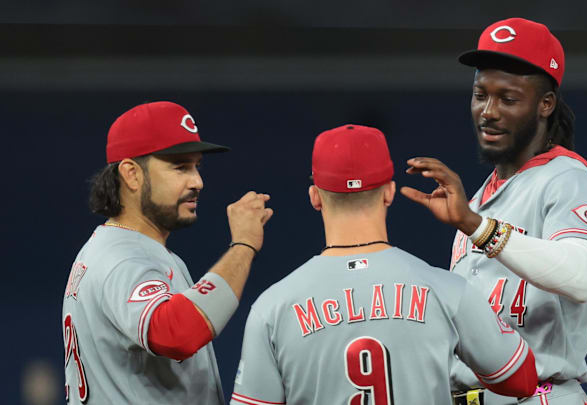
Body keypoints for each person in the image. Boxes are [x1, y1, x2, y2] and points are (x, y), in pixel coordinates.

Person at [229, 124, 539, 405]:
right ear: (389, 193)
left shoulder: (273, 307)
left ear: (315, 197)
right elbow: (522, 379)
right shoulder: (447, 290)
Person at [401, 18, 587, 405]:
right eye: (480, 94)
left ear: (545, 104)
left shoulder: (566, 177)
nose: (489, 111)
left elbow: (583, 277)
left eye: (508, 98)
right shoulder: (483, 195)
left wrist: (475, 226)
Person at [62, 101, 273, 404]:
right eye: (180, 167)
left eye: (197, 166)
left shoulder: (120, 248)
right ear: (131, 174)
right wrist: (243, 246)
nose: (197, 181)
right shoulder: (122, 257)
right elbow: (175, 332)